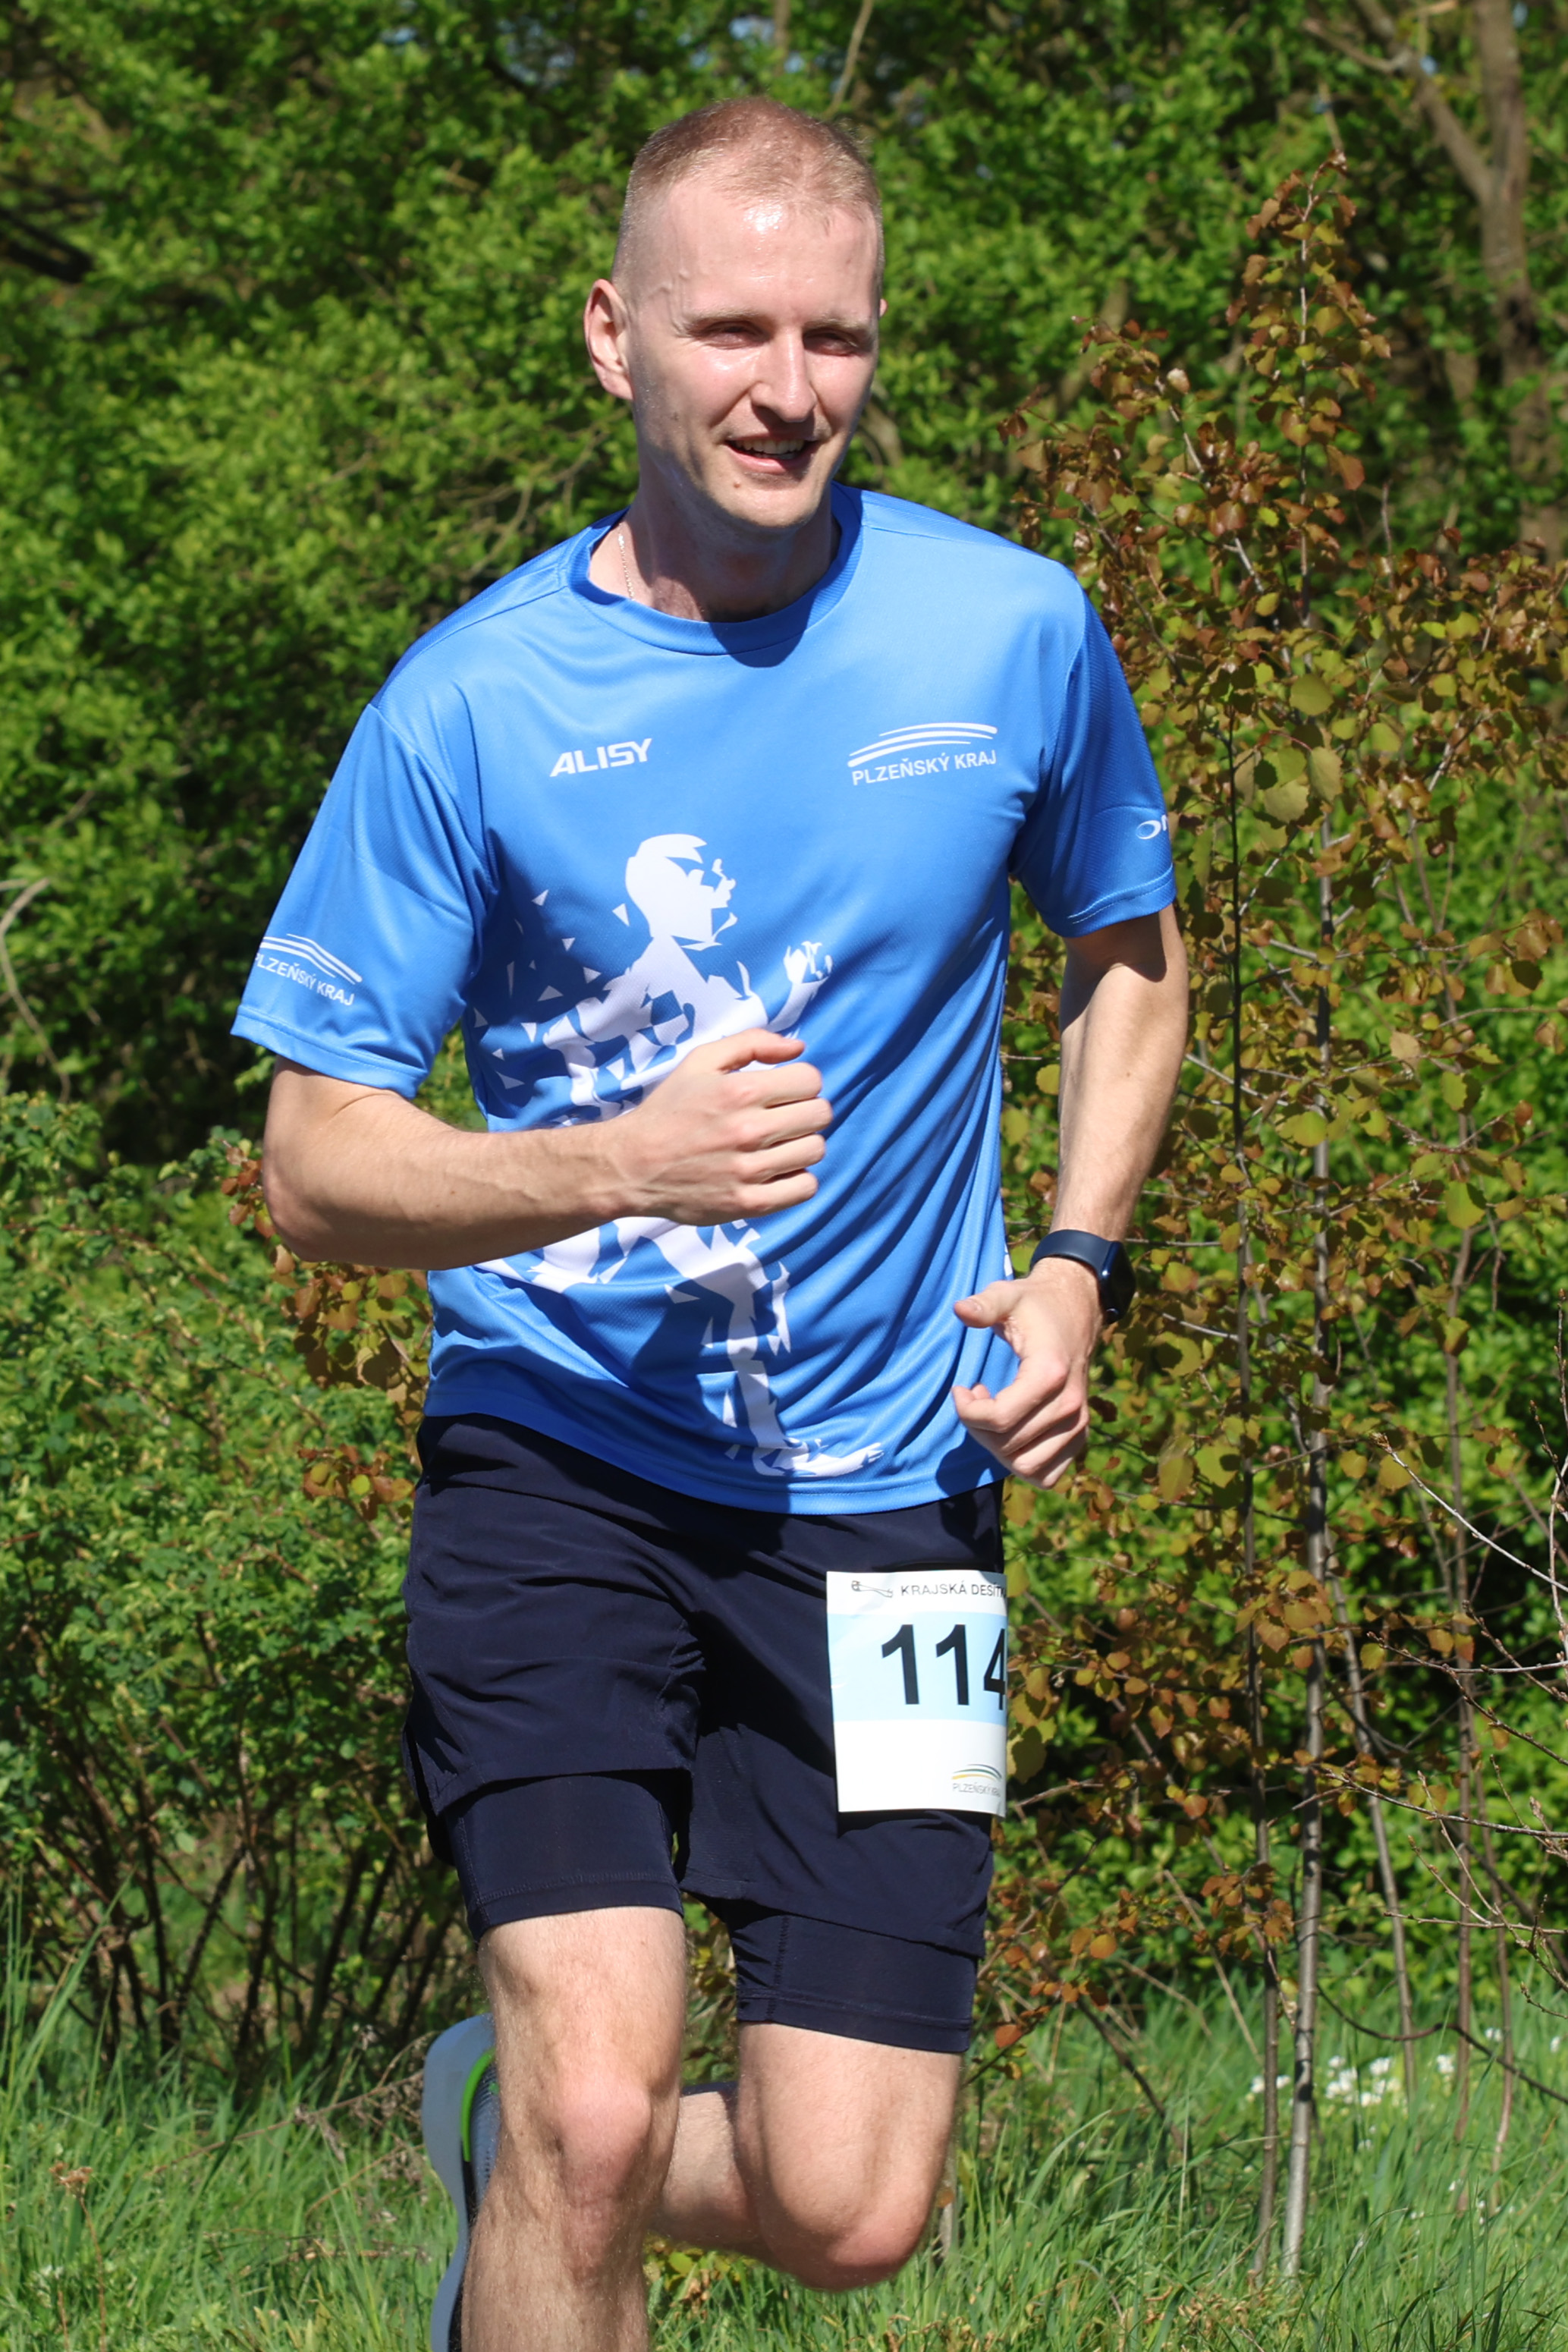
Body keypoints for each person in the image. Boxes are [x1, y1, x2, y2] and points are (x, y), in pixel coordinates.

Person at [233, 93, 1187, 2352]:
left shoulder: (1010, 631)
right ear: (614, 338)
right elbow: (311, 1161)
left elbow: (1129, 950)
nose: (785, 387)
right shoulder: (473, 702)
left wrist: (1076, 1264)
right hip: (559, 1455)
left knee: (848, 2207)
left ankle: (505, 2151)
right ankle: (551, 2151)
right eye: (730, 330)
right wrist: (609, 1165)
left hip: (896, 1499)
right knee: (599, 2097)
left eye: (832, 336)